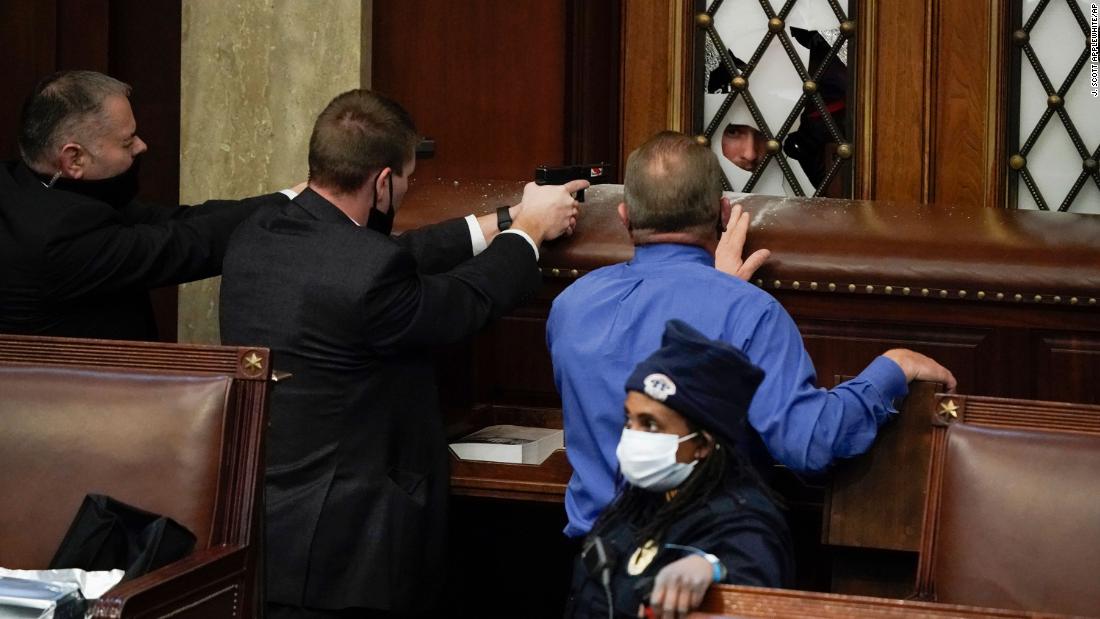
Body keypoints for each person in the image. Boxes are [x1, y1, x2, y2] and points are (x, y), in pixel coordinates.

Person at [218, 89, 585, 618]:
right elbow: (462, 303)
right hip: (350, 552)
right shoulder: (366, 272)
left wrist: (503, 219)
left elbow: (380, 258)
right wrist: (529, 233)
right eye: (408, 178)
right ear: (384, 181)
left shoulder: (258, 234)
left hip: (265, 527)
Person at [547, 131, 956, 539]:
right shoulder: (747, 312)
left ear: (625, 216)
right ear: (724, 213)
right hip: (707, 571)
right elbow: (809, 444)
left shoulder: (571, 306)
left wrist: (719, 291)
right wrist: (891, 369)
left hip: (595, 573)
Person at [0, 70, 288, 340]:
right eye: (127, 142)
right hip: (81, 391)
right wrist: (297, 204)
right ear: (74, 159)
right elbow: (184, 245)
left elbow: (171, 220)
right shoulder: (59, 236)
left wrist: (286, 198)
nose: (141, 146)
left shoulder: (28, 183)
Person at [567, 319, 794, 619]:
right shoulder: (643, 500)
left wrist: (711, 564)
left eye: (651, 425)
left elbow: (748, 571)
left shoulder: (744, 522)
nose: (633, 436)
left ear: (701, 443)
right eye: (629, 420)